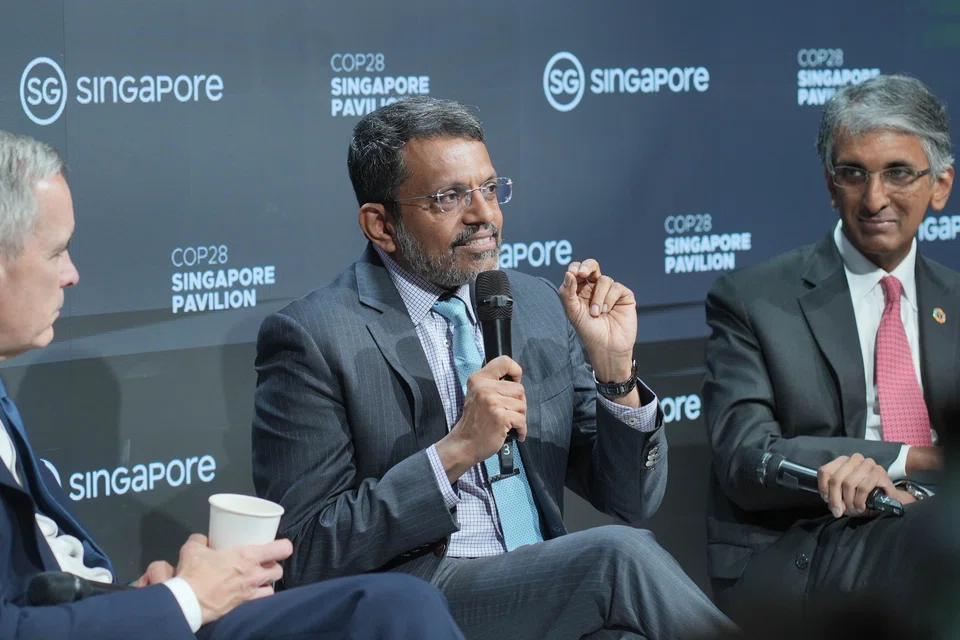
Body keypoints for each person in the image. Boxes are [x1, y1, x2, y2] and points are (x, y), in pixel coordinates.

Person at [252, 96, 734, 639]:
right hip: (422, 600)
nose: (484, 214)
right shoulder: (315, 336)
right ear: (381, 225)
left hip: (541, 588)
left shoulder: (531, 304)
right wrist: (454, 452)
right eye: (450, 197)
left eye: (489, 188)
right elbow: (305, 552)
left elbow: (631, 498)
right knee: (616, 560)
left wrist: (615, 375)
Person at [0, 130, 464, 640]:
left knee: (393, 606)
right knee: (402, 604)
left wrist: (142, 600)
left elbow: (53, 583)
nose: (72, 275)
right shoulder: (316, 332)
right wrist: (185, 600)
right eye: (56, 253)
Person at [702, 74, 958, 622]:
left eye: (897, 173)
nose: (874, 198)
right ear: (829, 183)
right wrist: (906, 461)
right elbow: (747, 459)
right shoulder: (753, 299)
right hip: (817, 542)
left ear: (939, 186)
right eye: (853, 174)